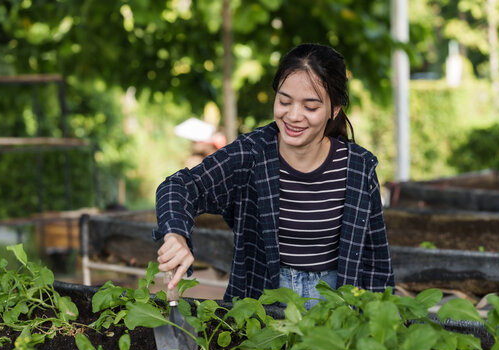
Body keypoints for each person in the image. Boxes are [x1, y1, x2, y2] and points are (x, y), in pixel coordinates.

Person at [154, 43, 394, 308]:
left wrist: (376, 327)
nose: (293, 116)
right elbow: (180, 186)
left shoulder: (358, 169)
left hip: (335, 318)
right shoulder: (250, 156)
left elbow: (376, 265)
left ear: (334, 110)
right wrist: (175, 233)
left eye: (310, 107)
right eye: (284, 101)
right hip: (259, 313)